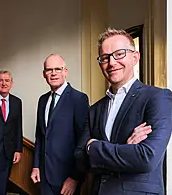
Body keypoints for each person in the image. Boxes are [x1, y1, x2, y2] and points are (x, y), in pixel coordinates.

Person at [75, 28, 172, 195]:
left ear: (135, 57)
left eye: (119, 54)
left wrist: (93, 147)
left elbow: (146, 158)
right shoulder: (94, 110)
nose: (111, 62)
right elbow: (79, 160)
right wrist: (125, 149)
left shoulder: (158, 98)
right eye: (105, 58)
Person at [31, 54, 90, 195]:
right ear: (44, 74)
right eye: (49, 70)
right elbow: (40, 136)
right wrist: (36, 166)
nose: (53, 73)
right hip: (44, 177)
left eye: (58, 69)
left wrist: (75, 177)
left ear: (65, 71)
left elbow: (83, 140)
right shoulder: (43, 100)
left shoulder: (79, 99)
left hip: (67, 178)